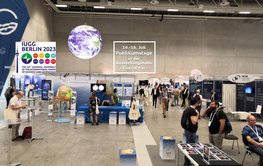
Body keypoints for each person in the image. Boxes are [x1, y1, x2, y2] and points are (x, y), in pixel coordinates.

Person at [181, 98, 200, 166]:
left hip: (187, 130)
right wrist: (197, 114)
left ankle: (187, 162)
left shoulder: (187, 109)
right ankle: (187, 162)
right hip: (191, 131)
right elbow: (194, 122)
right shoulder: (193, 111)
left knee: (188, 145)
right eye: (197, 103)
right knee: (190, 146)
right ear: (195, 103)